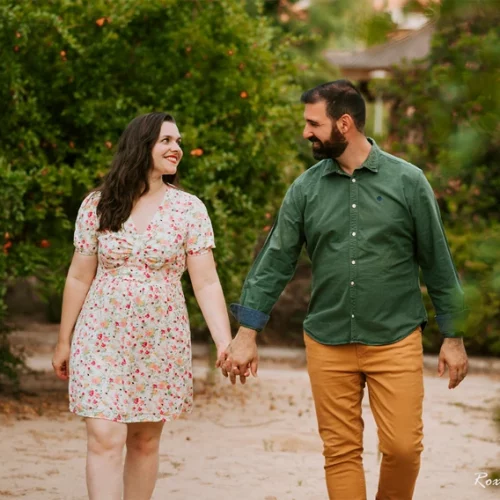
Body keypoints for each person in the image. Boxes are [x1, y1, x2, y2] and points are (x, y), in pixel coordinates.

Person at [221, 80, 469, 500]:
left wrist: (454, 335)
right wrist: (246, 333)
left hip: (395, 337)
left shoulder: (409, 182)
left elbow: (438, 261)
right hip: (327, 340)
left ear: (345, 123)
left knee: (404, 449)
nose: (306, 133)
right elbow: (275, 261)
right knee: (340, 452)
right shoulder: (306, 188)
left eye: (313, 123)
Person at [52, 112, 233, 500]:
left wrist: (224, 342)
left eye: (179, 141)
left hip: (160, 340)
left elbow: (205, 281)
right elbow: (79, 276)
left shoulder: (189, 209)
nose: (177, 148)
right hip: (100, 335)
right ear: (141, 145)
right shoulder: (97, 205)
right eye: (166, 140)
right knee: (105, 434)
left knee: (145, 441)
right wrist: (63, 340)